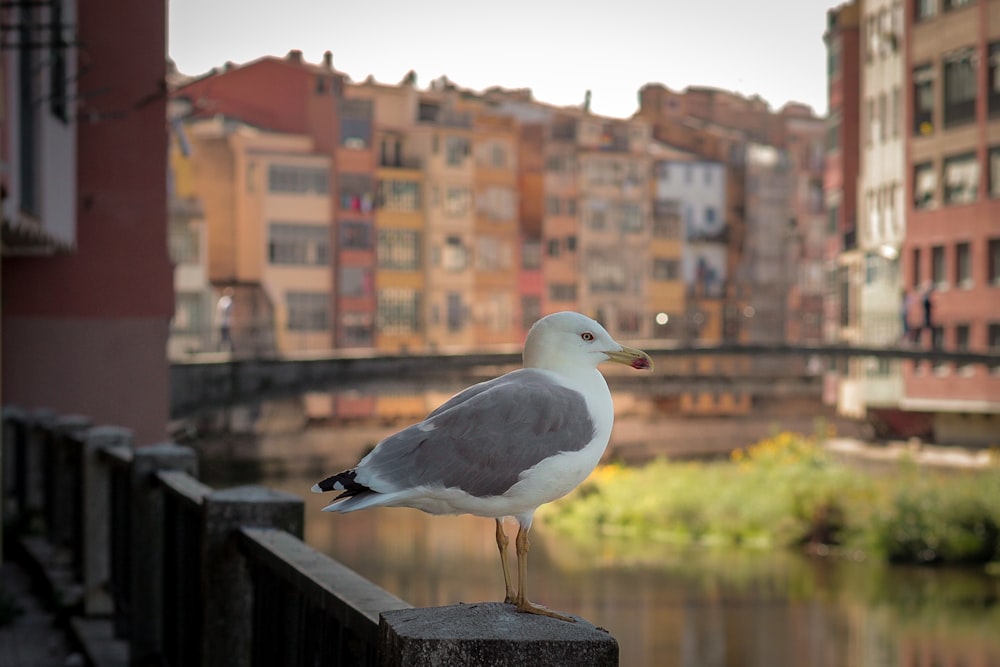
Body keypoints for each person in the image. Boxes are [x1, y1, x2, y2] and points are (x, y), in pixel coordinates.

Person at [216, 288, 234, 353]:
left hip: (224, 322)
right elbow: (225, 309)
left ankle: (224, 349)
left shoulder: (223, 300)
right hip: (224, 322)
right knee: (224, 336)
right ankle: (223, 350)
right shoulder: (226, 300)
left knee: (225, 336)